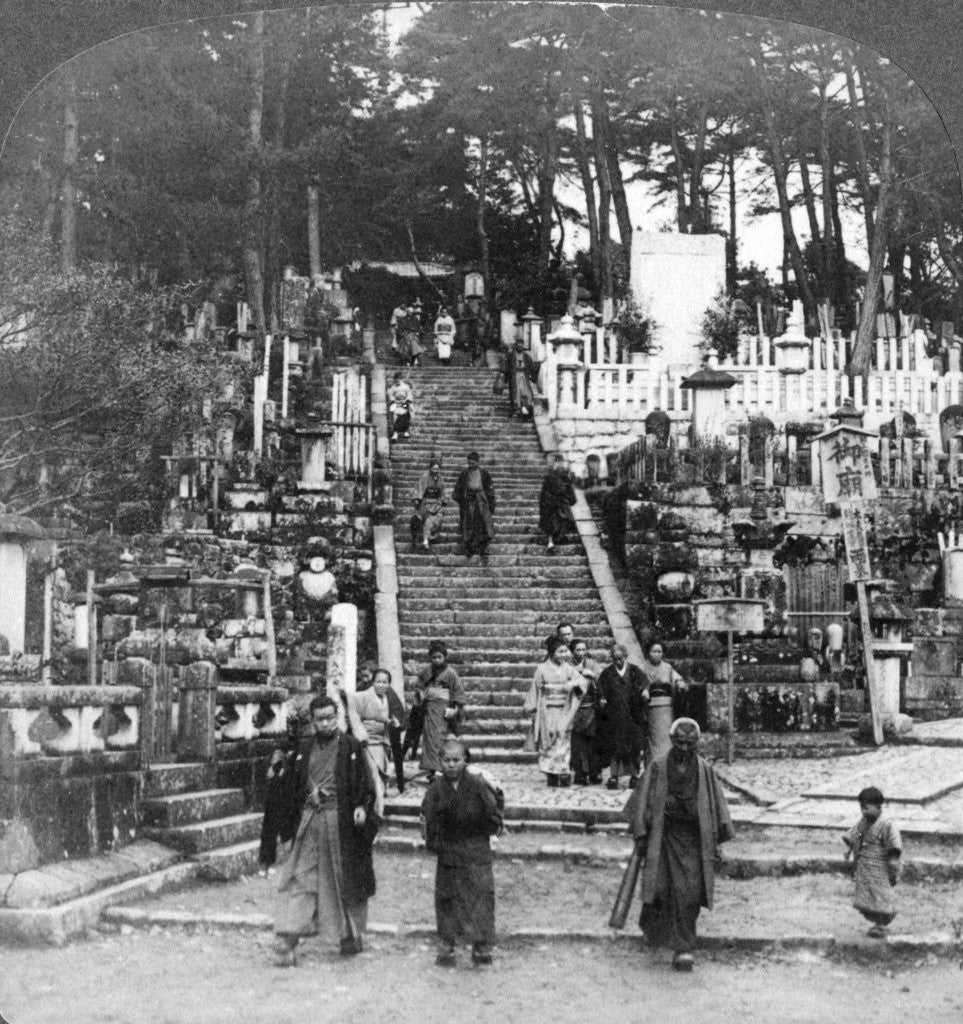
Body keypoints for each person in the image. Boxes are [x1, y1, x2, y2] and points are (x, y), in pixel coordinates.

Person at [271, 696, 378, 967]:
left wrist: (362, 808)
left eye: (331, 717)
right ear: (312, 720)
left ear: (338, 715)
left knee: (343, 880)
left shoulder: (351, 746)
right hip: (310, 822)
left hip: (340, 823)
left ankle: (349, 935)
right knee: (301, 878)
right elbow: (293, 785)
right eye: (320, 719)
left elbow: (366, 786)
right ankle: (288, 938)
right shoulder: (303, 748)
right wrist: (310, 792)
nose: (326, 723)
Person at [622, 717, 734, 972]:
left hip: (693, 841)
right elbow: (641, 804)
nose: (685, 748)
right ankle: (653, 928)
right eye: (681, 742)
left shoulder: (705, 770)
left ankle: (684, 948)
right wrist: (643, 830)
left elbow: (716, 808)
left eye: (691, 744)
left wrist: (716, 839)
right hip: (663, 838)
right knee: (660, 890)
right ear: (672, 741)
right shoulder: (658, 767)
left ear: (697, 743)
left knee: (689, 893)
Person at [422, 738, 502, 967]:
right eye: (446, 760)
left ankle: (481, 946)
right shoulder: (436, 789)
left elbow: (492, 812)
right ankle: (447, 945)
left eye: (456, 760)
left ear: (465, 760)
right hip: (449, 849)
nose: (451, 765)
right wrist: (436, 843)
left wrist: (486, 831)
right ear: (439, 762)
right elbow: (428, 817)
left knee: (481, 897)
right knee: (447, 899)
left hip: (475, 849)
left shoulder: (477, 784)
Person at [523, 635, 583, 787]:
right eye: (560, 652)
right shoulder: (541, 669)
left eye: (565, 651)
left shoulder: (569, 669)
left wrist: (574, 684)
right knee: (548, 741)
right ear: (551, 653)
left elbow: (581, 684)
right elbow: (535, 689)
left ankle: (563, 772)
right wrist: (531, 709)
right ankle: (551, 772)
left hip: (564, 710)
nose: (563, 655)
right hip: (547, 710)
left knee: (563, 741)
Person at [842, 786, 902, 938]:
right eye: (862, 808)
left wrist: (893, 864)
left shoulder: (887, 825)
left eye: (866, 808)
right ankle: (877, 923)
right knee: (868, 897)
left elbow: (893, 847)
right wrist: (850, 847)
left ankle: (882, 925)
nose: (863, 812)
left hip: (881, 868)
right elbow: (858, 834)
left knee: (882, 896)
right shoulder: (864, 823)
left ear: (878, 806)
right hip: (865, 867)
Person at [596, 643, 647, 790]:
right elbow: (600, 689)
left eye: (620, 658)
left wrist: (645, 691)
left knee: (634, 746)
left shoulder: (634, 671)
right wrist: (601, 698)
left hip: (632, 714)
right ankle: (614, 776)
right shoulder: (607, 673)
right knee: (614, 746)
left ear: (625, 657)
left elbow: (645, 683)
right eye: (614, 658)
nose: (618, 661)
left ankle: (634, 776)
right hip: (614, 716)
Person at [414, 640, 466, 780]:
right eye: (434, 657)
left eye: (439, 657)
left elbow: (457, 690)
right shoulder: (426, 671)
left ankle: (440, 769)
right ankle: (431, 768)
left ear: (445, 657)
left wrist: (454, 707)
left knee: (439, 738)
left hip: (444, 709)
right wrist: (420, 694)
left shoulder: (451, 673)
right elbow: (419, 685)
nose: (437, 660)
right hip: (429, 708)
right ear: (430, 658)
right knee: (429, 739)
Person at [639, 640, 688, 764]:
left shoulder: (667, 667)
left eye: (659, 652)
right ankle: (653, 766)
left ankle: (667, 764)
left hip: (667, 708)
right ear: (648, 653)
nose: (657, 654)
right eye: (654, 651)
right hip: (651, 707)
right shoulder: (643, 668)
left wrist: (679, 683)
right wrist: (644, 691)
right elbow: (639, 685)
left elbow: (677, 679)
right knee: (653, 739)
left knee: (667, 737)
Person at [569, 638, 603, 786]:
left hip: (590, 707)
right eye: (578, 650)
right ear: (572, 651)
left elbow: (602, 678)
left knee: (593, 741)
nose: (581, 653)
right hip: (574, 708)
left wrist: (593, 675)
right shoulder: (567, 665)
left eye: (584, 650)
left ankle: (595, 772)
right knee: (577, 742)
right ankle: (580, 773)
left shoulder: (592, 664)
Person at [452, 451, 496, 561]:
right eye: (469, 463)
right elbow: (458, 489)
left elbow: (489, 490)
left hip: (481, 501)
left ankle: (481, 548)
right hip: (469, 502)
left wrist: (491, 504)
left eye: (473, 463)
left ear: (477, 462)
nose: (471, 465)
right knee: (469, 523)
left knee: (483, 523)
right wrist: (461, 500)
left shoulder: (484, 474)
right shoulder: (464, 474)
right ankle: (470, 548)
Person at [539, 455, 577, 552]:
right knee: (551, 517)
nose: (558, 465)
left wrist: (566, 499)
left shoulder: (565, 478)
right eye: (557, 462)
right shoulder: (549, 478)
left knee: (564, 514)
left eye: (560, 462)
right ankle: (550, 542)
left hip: (561, 505)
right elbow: (544, 495)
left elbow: (571, 497)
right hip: (550, 505)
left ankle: (558, 537)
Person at [413, 457, 448, 551]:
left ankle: (431, 536)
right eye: (433, 469)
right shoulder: (425, 476)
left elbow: (443, 490)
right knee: (428, 520)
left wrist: (444, 499)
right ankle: (425, 540)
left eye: (437, 469)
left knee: (439, 517)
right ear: (430, 468)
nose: (435, 471)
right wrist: (417, 498)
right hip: (426, 501)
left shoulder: (440, 478)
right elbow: (420, 487)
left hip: (436, 503)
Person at [500, 337, 539, 418]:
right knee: (515, 393)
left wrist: (538, 365)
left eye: (521, 346)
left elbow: (532, 366)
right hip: (514, 376)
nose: (520, 347)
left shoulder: (526, 356)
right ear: (516, 346)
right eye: (518, 346)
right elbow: (505, 365)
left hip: (524, 376)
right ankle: (516, 410)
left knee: (526, 393)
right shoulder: (510, 355)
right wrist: (503, 373)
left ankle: (525, 410)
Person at [388, 371, 414, 441]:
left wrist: (407, 400)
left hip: (404, 403)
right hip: (396, 403)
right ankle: (395, 433)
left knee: (405, 414)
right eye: (396, 380)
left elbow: (409, 395)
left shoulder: (406, 387)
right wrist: (393, 400)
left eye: (399, 380)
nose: (397, 382)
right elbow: (391, 395)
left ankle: (405, 431)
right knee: (395, 416)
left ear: (402, 379)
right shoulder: (393, 388)